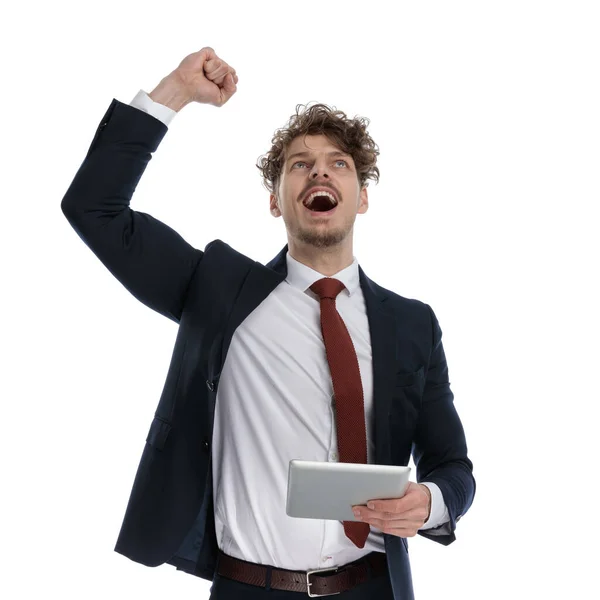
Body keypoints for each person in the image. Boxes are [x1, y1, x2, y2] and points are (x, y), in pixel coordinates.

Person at [61, 47, 475, 600]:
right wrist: (176, 92)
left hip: (373, 588)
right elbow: (94, 207)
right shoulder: (217, 290)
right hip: (249, 588)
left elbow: (452, 465)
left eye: (338, 164)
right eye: (299, 164)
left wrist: (430, 502)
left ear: (363, 197)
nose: (319, 171)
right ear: (276, 201)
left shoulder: (411, 323)